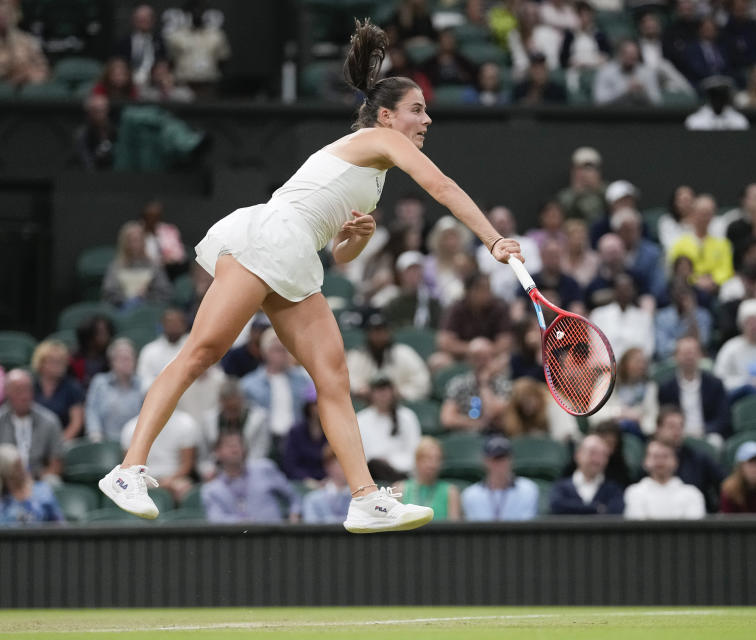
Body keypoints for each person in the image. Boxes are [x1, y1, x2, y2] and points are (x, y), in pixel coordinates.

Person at [100, 19, 525, 533]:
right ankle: (127, 469)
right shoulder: (380, 140)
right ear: (387, 116)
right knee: (202, 352)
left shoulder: (371, 180)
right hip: (270, 237)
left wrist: (359, 236)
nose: (426, 119)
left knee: (334, 378)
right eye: (417, 110)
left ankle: (365, 496)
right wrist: (493, 239)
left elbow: (343, 255)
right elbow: (443, 187)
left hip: (296, 256)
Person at [202, 431, 300, 523]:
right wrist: (242, 523)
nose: (234, 448)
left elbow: (294, 496)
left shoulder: (264, 468)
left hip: (274, 536)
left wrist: (295, 514)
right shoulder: (211, 490)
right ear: (217, 452)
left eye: (238, 444)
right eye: (229, 445)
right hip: (237, 538)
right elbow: (216, 519)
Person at [240, 328, 313, 447]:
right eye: (278, 350)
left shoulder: (303, 379)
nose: (283, 354)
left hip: (296, 438)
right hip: (265, 439)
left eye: (286, 349)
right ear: (265, 352)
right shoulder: (249, 384)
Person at [346, 312, 430, 402]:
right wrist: (361, 389)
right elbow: (348, 380)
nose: (378, 335)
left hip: (398, 407)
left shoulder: (404, 353)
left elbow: (422, 382)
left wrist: (400, 392)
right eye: (375, 331)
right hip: (365, 406)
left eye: (382, 330)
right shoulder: (357, 356)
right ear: (368, 334)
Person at [658, 337, 730, 442]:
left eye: (692, 353)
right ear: (676, 357)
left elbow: (723, 418)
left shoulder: (715, 384)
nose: (689, 357)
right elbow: (664, 417)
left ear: (700, 355)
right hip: (677, 435)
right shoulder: (666, 387)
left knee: (716, 441)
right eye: (685, 354)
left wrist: (704, 430)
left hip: (707, 433)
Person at [198, 377, 270, 480]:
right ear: (220, 402)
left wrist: (239, 472)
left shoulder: (259, 419)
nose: (232, 414)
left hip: (250, 474)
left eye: (235, 409)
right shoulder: (208, 421)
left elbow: (259, 453)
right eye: (228, 409)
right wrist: (208, 471)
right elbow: (203, 457)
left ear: (242, 400)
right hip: (217, 474)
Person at [0, 370, 62, 481]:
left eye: (28, 390)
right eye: (18, 391)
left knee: (53, 481)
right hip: (5, 481)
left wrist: (35, 481)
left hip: (39, 479)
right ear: (7, 393)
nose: (25, 396)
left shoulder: (49, 420)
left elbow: (56, 464)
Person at [667, 195, 735, 296]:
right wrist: (696, 281)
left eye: (708, 214)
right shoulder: (679, 244)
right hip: (689, 290)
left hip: (716, 290)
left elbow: (726, 270)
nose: (705, 218)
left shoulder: (723, 245)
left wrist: (713, 281)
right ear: (693, 214)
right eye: (701, 213)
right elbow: (678, 270)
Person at [440, 337, 512, 433]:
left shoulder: (503, 384)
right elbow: (447, 419)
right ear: (469, 360)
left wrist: (484, 384)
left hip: (494, 435)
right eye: (477, 357)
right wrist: (478, 423)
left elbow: (492, 413)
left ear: (492, 358)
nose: (482, 362)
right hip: (464, 436)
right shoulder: (458, 383)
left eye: (485, 357)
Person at [461, 436, 539, 521]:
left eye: (504, 458)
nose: (500, 464)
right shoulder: (470, 495)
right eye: (495, 459)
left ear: (511, 459)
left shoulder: (528, 489)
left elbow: (526, 527)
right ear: (485, 461)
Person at [623, 440, 706, 520]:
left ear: (676, 462)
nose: (660, 461)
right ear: (645, 461)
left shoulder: (692, 494)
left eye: (665, 456)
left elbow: (693, 530)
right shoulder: (634, 492)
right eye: (655, 456)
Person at [164, 1, 231, 99]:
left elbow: (223, 61)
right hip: (184, 85)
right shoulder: (176, 37)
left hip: (209, 84)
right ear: (185, 14)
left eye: (201, 11)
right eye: (193, 11)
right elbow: (171, 61)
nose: (197, 14)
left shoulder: (217, 36)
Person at [356, 376, 421, 474]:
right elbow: (359, 454)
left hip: (400, 472)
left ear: (393, 392)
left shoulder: (407, 417)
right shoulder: (360, 419)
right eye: (378, 390)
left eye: (385, 390)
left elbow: (415, 452)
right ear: (371, 394)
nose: (382, 395)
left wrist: (391, 462)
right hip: (369, 472)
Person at [101, 221, 173, 310]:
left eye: (138, 240)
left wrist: (146, 295)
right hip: (121, 310)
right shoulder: (115, 266)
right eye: (131, 241)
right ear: (124, 243)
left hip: (149, 310)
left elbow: (164, 292)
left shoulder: (154, 266)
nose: (134, 245)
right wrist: (129, 299)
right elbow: (109, 293)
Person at [589, 347, 659, 436]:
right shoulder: (606, 380)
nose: (641, 366)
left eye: (644, 362)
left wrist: (640, 420)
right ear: (625, 363)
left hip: (637, 435)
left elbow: (652, 420)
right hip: (607, 432)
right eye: (637, 361)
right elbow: (594, 415)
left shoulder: (650, 387)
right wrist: (621, 413)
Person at [549, 434, 624, 515]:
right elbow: (557, 507)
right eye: (592, 453)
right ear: (578, 455)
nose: (597, 460)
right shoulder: (560, 487)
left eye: (603, 455)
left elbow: (614, 513)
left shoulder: (614, 490)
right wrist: (598, 508)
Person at [588, 273, 655, 360]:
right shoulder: (598, 315)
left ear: (633, 291)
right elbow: (595, 350)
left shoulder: (644, 317)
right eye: (621, 289)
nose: (624, 293)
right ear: (614, 291)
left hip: (635, 370)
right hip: (606, 368)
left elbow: (648, 350)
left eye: (627, 289)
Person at [395, 437, 461, 521]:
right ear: (417, 460)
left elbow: (455, 529)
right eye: (427, 459)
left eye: (437, 459)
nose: (432, 465)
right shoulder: (400, 489)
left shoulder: (451, 492)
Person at [30, 341, 84, 441]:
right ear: (41, 363)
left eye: (62, 361)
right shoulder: (31, 386)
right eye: (53, 361)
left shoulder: (72, 387)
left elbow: (76, 423)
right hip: (34, 441)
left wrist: (58, 443)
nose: (59, 365)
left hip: (64, 442)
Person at [501, 377, 579, 443]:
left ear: (537, 395)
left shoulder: (554, 404)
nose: (527, 407)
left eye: (529, 400)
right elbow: (515, 436)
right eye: (522, 403)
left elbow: (564, 436)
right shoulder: (515, 413)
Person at [0, 444, 63, 525]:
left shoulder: (43, 491)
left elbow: (60, 525)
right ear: (5, 472)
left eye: (21, 465)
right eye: (16, 468)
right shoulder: (3, 500)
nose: (21, 471)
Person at [593, 40, 660, 106]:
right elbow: (599, 101)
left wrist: (644, 92)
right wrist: (625, 90)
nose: (631, 57)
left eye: (634, 54)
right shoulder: (606, 71)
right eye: (627, 54)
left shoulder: (647, 72)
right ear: (619, 54)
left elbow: (657, 102)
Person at [114, 4, 167, 88]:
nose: (143, 22)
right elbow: (119, 62)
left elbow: (163, 62)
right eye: (140, 19)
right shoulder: (124, 42)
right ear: (133, 20)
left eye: (146, 19)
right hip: (129, 82)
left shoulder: (160, 41)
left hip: (154, 81)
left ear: (153, 21)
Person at [0, 0, 49, 87]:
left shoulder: (27, 40)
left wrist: (26, 75)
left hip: (24, 93)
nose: (3, 17)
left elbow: (43, 72)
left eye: (8, 12)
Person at [137, 308, 188, 387]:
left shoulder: (194, 348)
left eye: (177, 323)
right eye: (169, 323)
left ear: (184, 325)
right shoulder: (149, 351)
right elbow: (144, 380)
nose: (173, 327)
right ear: (162, 325)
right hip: (161, 395)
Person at [74, 94, 117, 171]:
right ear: (89, 113)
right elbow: (86, 162)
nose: (100, 114)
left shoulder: (116, 130)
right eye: (96, 111)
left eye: (103, 110)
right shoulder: (82, 134)